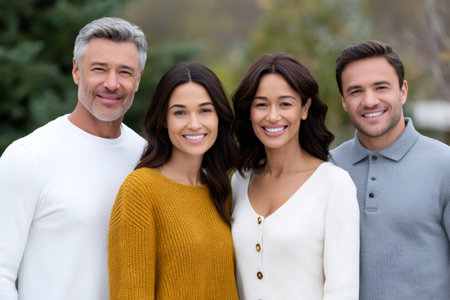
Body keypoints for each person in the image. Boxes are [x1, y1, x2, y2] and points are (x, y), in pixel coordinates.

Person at [0, 17, 147, 300]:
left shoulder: (146, 157)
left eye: (125, 72)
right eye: (99, 69)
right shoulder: (28, 157)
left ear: (138, 79)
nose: (112, 83)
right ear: (76, 71)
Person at [231, 53, 360, 300]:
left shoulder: (334, 185)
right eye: (261, 104)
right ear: (249, 112)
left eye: (285, 104)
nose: (272, 116)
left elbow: (342, 290)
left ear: (305, 108)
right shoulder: (240, 181)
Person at [108, 62, 239, 299]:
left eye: (205, 110)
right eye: (180, 112)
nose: (194, 123)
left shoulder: (221, 189)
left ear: (219, 116)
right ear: (164, 120)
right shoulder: (140, 190)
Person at [330, 40, 450, 299]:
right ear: (343, 101)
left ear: (403, 91)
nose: (370, 100)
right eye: (356, 91)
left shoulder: (445, 165)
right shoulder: (328, 168)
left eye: (381, 87)